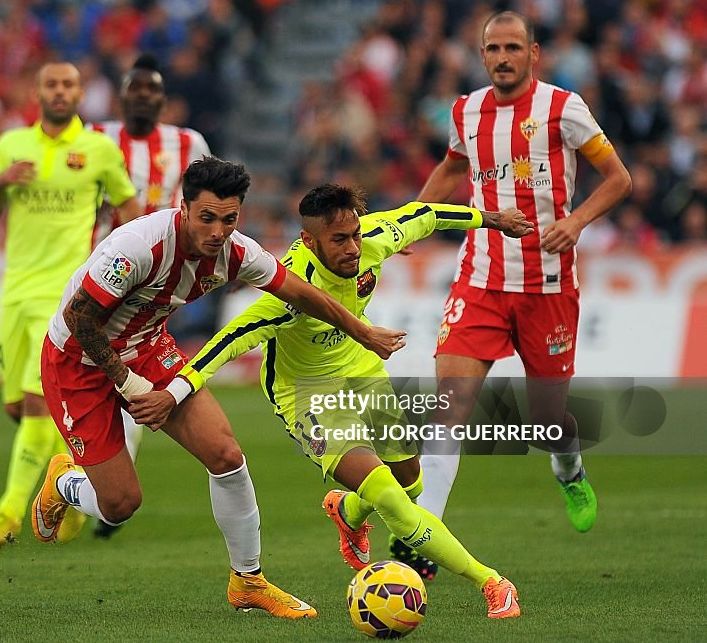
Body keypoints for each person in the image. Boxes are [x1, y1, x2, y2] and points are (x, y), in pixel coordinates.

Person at [131, 184, 532, 618]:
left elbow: (427, 214)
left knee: (410, 482)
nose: (354, 247)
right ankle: (491, 581)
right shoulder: (286, 291)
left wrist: (494, 220)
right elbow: (224, 343)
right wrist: (173, 393)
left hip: (362, 366)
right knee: (391, 498)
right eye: (339, 240)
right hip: (308, 393)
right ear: (309, 240)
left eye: (356, 235)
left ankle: (347, 510)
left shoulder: (373, 239)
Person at [31, 157, 407, 619]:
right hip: (77, 362)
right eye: (206, 217)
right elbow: (78, 317)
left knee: (226, 454)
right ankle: (64, 482)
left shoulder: (236, 251)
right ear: (184, 208)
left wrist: (362, 332)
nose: (216, 231)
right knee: (120, 505)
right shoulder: (137, 247)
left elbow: (303, 293)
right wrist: (129, 384)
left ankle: (248, 581)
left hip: (148, 347)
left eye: (228, 219)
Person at [410, 11, 632, 559]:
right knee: (450, 404)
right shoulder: (465, 111)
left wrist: (576, 222)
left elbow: (619, 178)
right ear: (482, 55)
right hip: (480, 278)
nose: (503, 58)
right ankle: (422, 540)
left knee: (546, 423)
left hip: (548, 285)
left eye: (513, 47)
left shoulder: (564, 108)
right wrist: (407, 222)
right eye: (493, 49)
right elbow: (453, 170)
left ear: (534, 54)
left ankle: (569, 467)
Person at [0, 62, 141, 547]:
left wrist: (118, 258)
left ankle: (8, 514)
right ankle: (70, 489)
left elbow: (128, 207)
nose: (60, 92)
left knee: (35, 405)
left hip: (66, 294)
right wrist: (0, 183)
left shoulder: (99, 150)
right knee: (17, 408)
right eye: (52, 84)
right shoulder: (11, 145)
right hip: (15, 291)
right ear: (37, 92)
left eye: (68, 84)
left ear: (80, 93)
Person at [88, 53, 211, 538]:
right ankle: (103, 481)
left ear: (163, 99)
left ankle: (106, 486)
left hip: (163, 274)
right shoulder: (96, 140)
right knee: (114, 368)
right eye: (134, 88)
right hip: (105, 269)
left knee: (125, 367)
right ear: (121, 97)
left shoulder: (189, 142)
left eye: (151, 89)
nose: (142, 95)